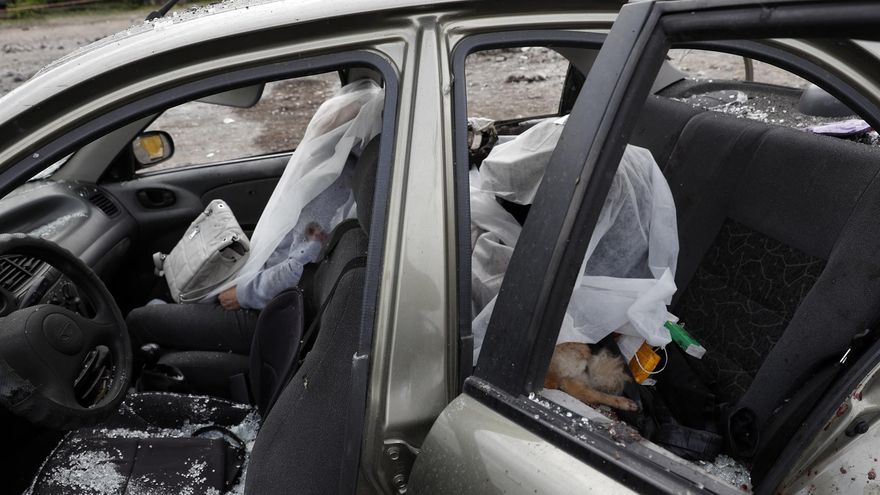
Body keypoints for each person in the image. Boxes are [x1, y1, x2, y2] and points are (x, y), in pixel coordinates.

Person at [127, 80, 384, 354]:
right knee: (171, 287)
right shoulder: (331, 174)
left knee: (140, 320)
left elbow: (297, 272)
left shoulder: (332, 193)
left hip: (267, 314)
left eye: (333, 120)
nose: (318, 127)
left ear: (350, 132)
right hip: (263, 290)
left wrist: (240, 293)